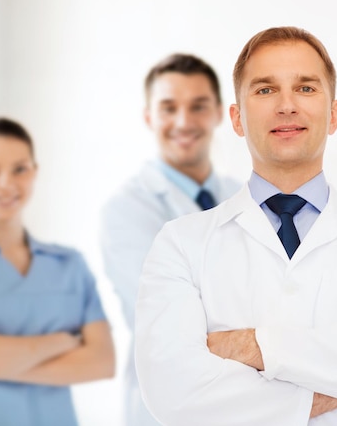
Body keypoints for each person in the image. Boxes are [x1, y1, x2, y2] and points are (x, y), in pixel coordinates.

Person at [135, 26, 337, 425]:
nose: (286, 105)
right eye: (265, 90)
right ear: (237, 118)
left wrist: (248, 345)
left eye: (306, 88)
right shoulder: (181, 243)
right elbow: (171, 393)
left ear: (334, 115)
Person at [0, 117, 115, 426]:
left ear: (35, 173)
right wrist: (63, 342)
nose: (6, 184)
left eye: (20, 169)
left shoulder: (70, 264)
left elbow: (101, 362)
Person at [99, 53, 240, 425]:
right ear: (148, 117)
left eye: (198, 106)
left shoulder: (248, 198)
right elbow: (171, 321)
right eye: (168, 108)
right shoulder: (127, 209)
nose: (183, 121)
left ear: (219, 114)